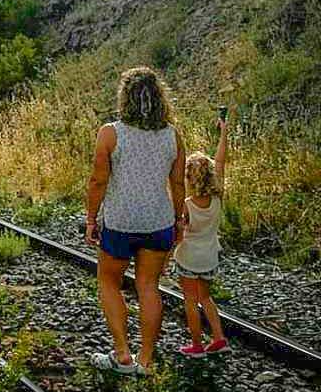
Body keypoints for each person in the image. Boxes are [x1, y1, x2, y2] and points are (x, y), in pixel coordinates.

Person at [85, 66, 185, 374]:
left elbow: (98, 181)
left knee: (108, 282)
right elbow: (178, 183)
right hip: (158, 222)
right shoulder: (173, 135)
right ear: (160, 97)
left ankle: (121, 354)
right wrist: (178, 220)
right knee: (149, 286)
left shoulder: (110, 133)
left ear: (124, 98)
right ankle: (145, 360)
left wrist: (91, 219)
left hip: (120, 223)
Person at [173, 116, 229, 356]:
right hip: (209, 258)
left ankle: (196, 345)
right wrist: (224, 133)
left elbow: (179, 234)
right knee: (206, 298)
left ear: (189, 178)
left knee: (189, 300)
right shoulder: (217, 198)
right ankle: (219, 339)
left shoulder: (186, 205)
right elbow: (221, 161)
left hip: (187, 258)